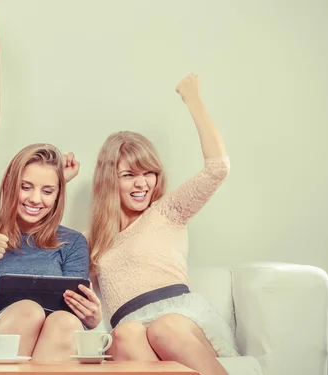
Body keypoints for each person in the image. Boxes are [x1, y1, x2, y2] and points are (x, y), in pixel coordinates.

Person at [87, 74, 238, 375]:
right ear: (109, 180)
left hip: (179, 322)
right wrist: (59, 183)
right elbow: (47, 248)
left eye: (149, 173)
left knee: (163, 328)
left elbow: (218, 168)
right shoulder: (93, 239)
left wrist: (193, 99)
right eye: (129, 175)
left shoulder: (167, 211)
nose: (142, 183)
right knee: (125, 333)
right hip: (129, 332)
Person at [0, 144, 103, 361]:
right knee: (28, 311)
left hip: (49, 347)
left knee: (66, 322)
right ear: (9, 183)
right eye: (25, 187)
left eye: (47, 191)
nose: (36, 199)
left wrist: (90, 318)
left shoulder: (73, 243)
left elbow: (75, 316)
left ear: (58, 194)